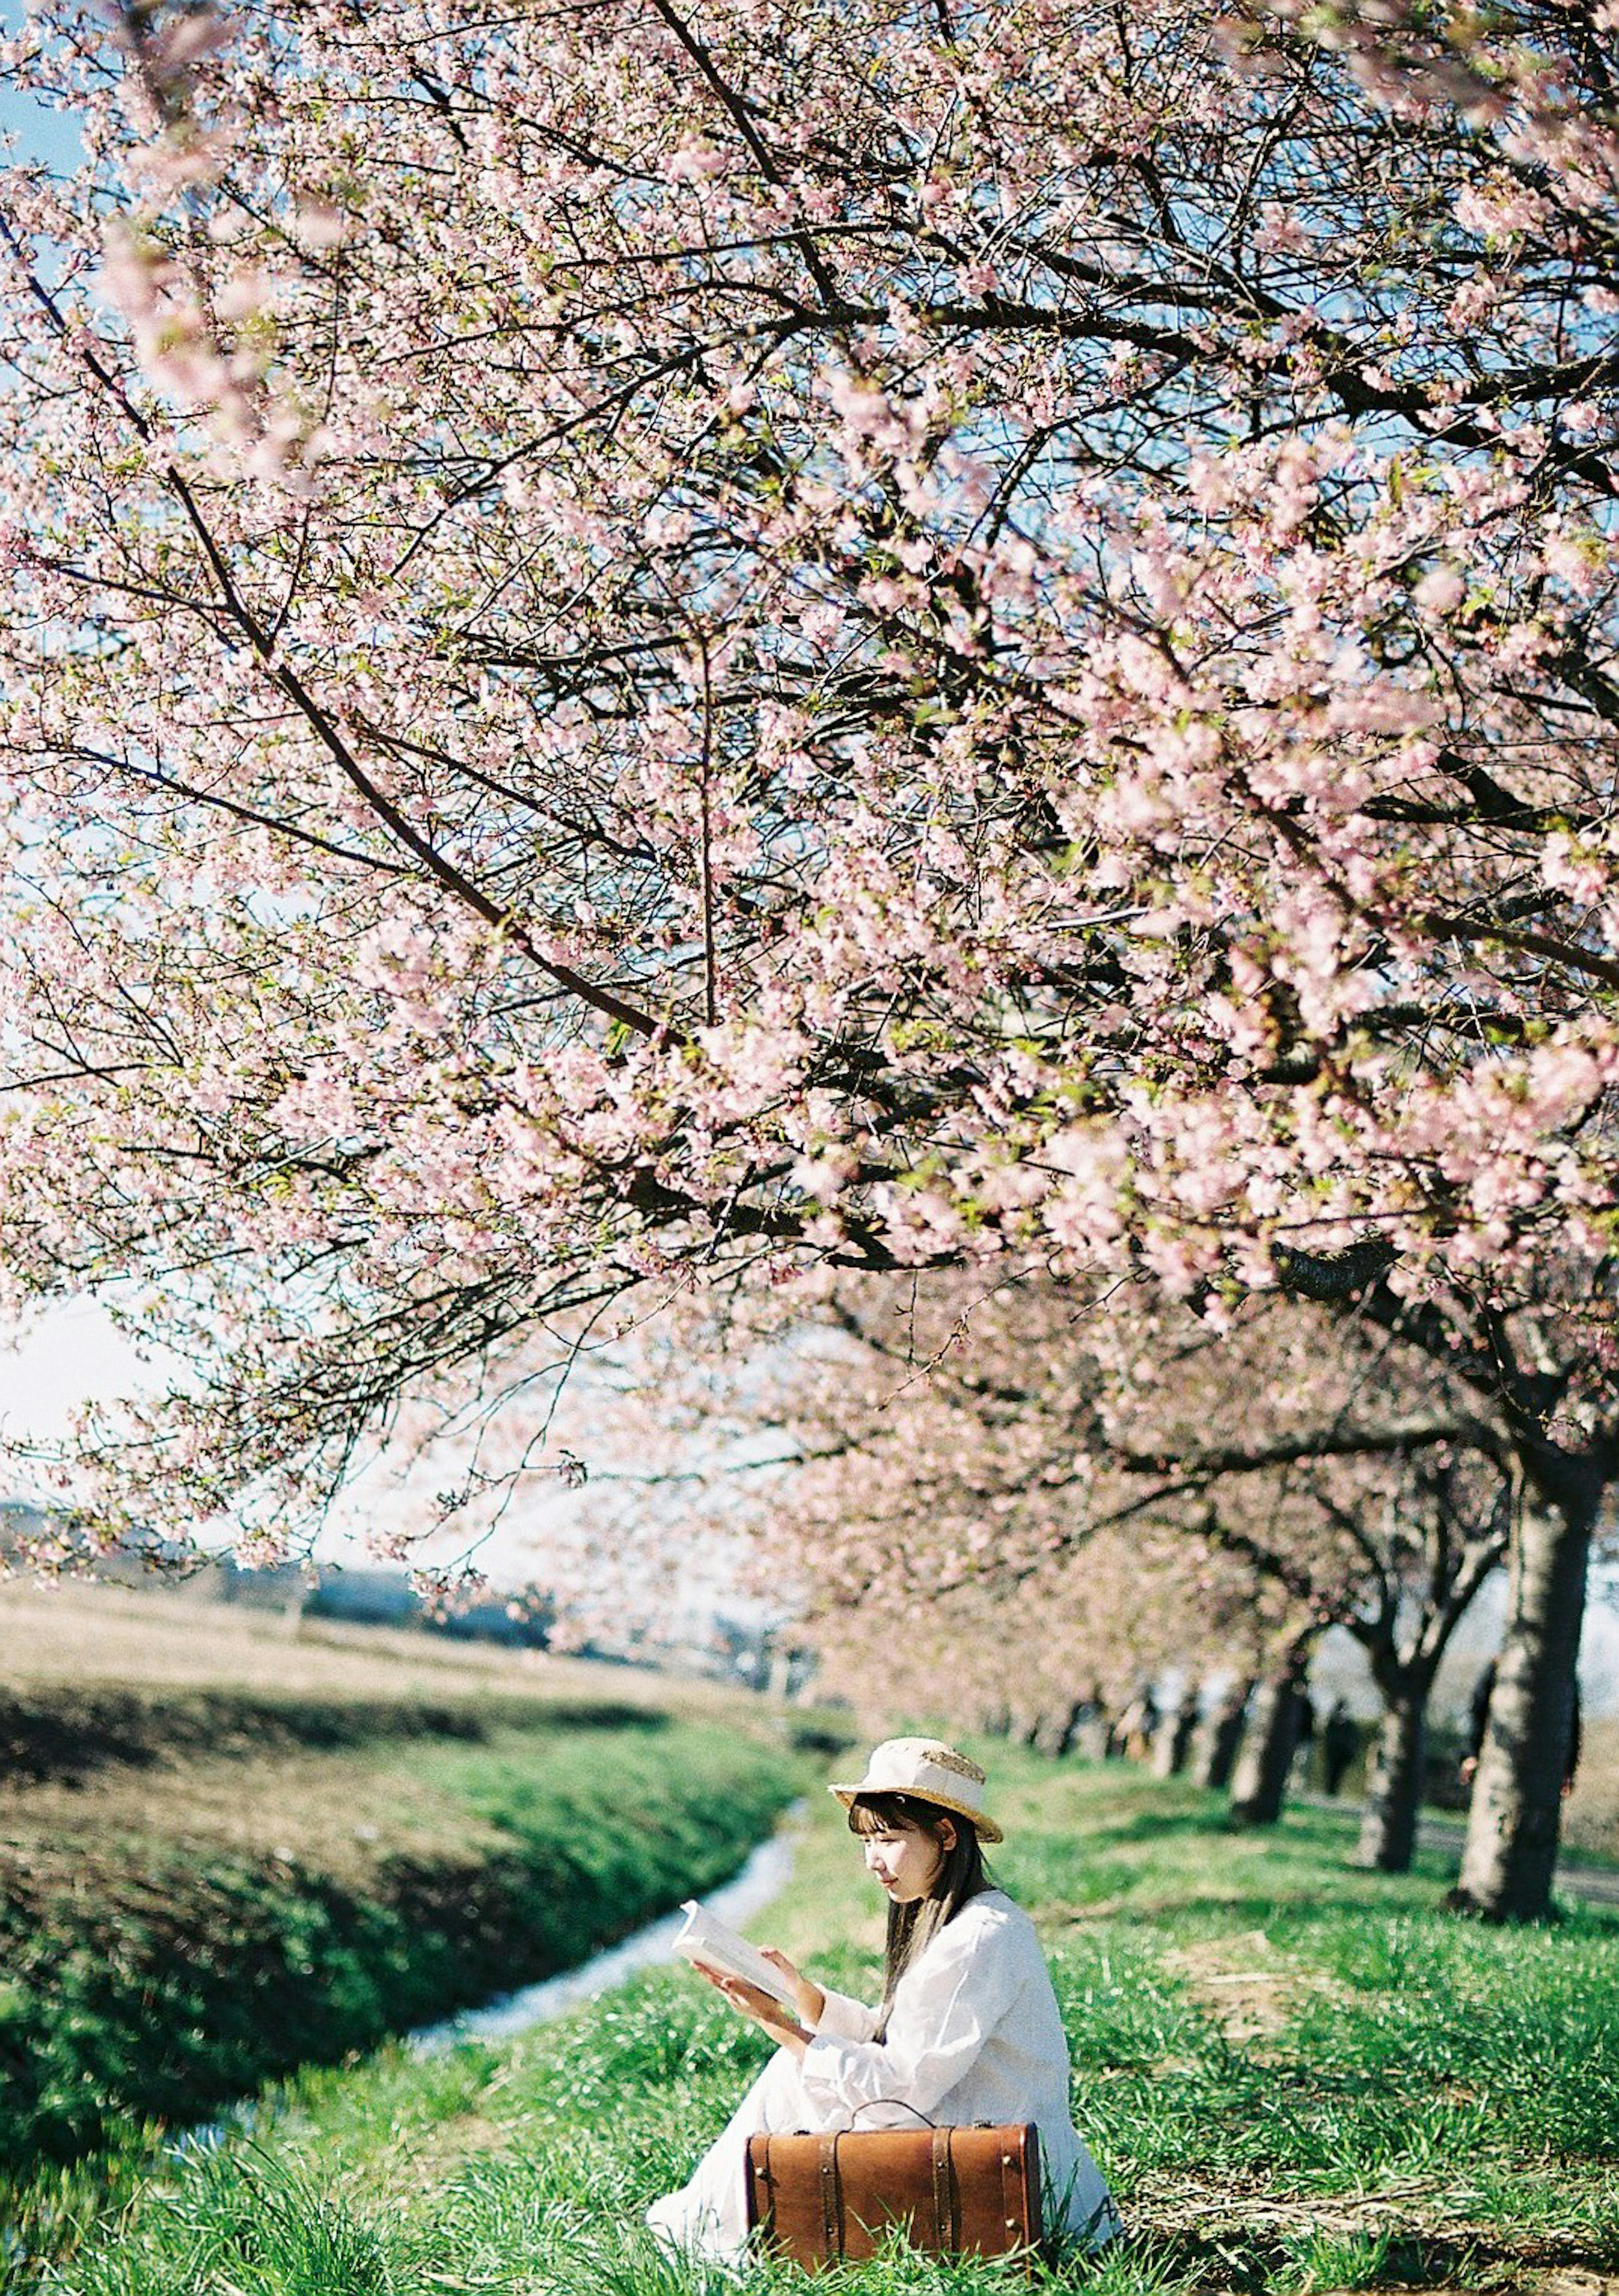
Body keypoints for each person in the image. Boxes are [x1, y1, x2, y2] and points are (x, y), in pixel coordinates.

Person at [645, 1736, 1121, 2269]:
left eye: (889, 1839)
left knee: (796, 2071)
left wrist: (783, 2029)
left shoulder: (979, 1937)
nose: (873, 1861)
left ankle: (709, 2233)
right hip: (980, 2131)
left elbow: (900, 2089)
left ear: (945, 1834)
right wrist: (804, 1997)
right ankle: (710, 2225)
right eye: (866, 1842)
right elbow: (904, 2041)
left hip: (1011, 2171)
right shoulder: (961, 1917)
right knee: (804, 2068)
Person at [1460, 1658, 1581, 1794]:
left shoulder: (1564, 1676)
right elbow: (1478, 1711)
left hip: (1544, 1771)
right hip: (1498, 1763)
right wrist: (1470, 1754)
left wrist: (1568, 1770)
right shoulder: (1499, 1667)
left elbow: (1572, 1727)